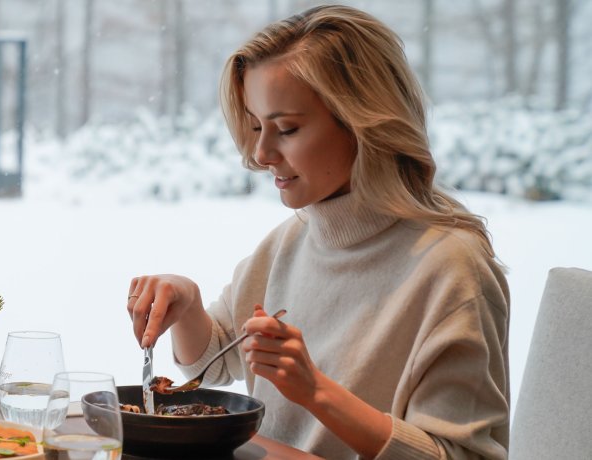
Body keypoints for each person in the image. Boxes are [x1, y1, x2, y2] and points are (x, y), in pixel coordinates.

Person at [126, 5, 509, 459]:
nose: (261, 153)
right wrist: (187, 305)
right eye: (255, 126)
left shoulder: (452, 269)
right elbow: (213, 363)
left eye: (286, 128)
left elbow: (462, 456)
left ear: (364, 124)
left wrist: (317, 392)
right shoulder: (292, 239)